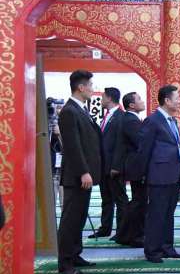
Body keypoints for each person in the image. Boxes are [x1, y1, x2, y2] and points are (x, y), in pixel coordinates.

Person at [57, 70, 102, 274]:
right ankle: (65, 263)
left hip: (84, 176)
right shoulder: (69, 111)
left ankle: (75, 254)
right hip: (77, 176)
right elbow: (73, 146)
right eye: (91, 85)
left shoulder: (80, 109)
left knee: (80, 218)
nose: (93, 89)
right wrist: (84, 171)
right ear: (81, 87)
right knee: (70, 220)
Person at [139, 85, 180, 263]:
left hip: (173, 173)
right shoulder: (153, 120)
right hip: (158, 174)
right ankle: (152, 250)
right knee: (156, 213)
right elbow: (144, 150)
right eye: (177, 98)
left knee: (168, 213)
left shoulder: (172, 120)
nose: (179, 101)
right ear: (167, 100)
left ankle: (167, 247)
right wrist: (143, 174)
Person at [90, 87, 128, 240]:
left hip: (114, 167)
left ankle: (121, 231)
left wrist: (116, 166)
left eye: (103, 97)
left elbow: (121, 144)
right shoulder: (108, 116)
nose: (101, 100)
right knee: (106, 198)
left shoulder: (120, 117)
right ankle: (105, 228)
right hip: (104, 166)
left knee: (120, 199)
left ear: (110, 98)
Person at [113, 92, 146, 248]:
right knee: (138, 202)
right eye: (139, 99)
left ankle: (124, 234)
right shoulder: (131, 120)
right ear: (131, 105)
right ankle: (133, 236)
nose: (142, 101)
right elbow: (141, 143)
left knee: (137, 201)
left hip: (134, 166)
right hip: (136, 167)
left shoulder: (131, 119)